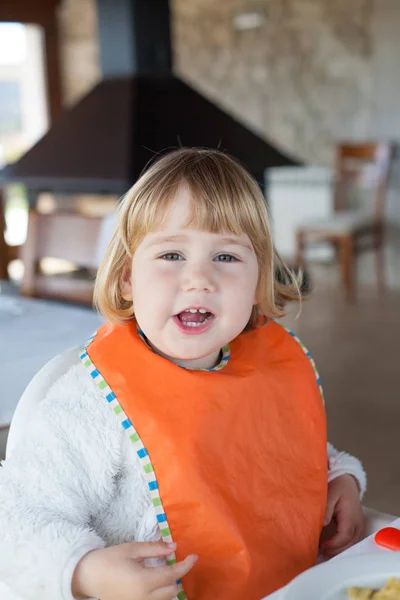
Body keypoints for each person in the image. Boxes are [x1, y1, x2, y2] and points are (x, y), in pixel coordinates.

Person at [0, 148, 366, 600]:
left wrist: (340, 480)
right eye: (172, 254)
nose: (199, 279)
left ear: (258, 283)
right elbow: (15, 516)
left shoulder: (265, 368)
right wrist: (84, 571)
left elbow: (293, 448)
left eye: (227, 258)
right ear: (127, 279)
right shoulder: (92, 402)